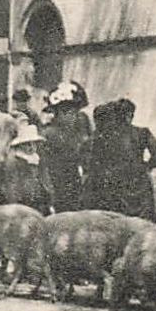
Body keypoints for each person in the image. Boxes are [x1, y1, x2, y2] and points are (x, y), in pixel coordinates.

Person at [83, 99, 156, 219]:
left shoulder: (101, 137)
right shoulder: (142, 133)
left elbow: (88, 161)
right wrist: (145, 166)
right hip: (139, 186)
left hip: (112, 189)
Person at [39, 81, 92, 213]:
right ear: (57, 113)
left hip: (74, 181)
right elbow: (43, 166)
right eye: (66, 111)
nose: (71, 116)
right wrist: (49, 191)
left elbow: (86, 154)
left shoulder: (81, 126)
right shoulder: (48, 134)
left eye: (74, 111)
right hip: (56, 182)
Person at [1, 123, 53, 213]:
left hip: (40, 199)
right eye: (27, 144)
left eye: (34, 144)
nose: (32, 147)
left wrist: (49, 194)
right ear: (20, 145)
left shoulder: (38, 159)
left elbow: (45, 178)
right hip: (24, 201)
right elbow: (12, 186)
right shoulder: (14, 161)